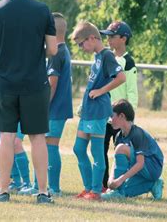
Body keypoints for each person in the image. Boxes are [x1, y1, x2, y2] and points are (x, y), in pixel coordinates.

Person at [0, 0, 57, 203]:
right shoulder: (43, 10)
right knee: (37, 137)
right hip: (35, 82)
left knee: (6, 135)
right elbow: (53, 49)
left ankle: (3, 191)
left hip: (4, 83)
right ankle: (43, 192)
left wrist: (2, 53)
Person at [18, 12, 73, 196]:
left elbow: (52, 83)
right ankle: (43, 186)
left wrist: (41, 105)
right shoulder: (63, 50)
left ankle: (50, 188)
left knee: (47, 146)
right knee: (48, 145)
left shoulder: (56, 53)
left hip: (54, 109)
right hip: (58, 109)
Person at [71, 21, 126, 201]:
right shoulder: (96, 57)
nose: (81, 47)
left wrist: (101, 91)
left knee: (96, 152)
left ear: (93, 38)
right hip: (88, 110)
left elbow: (121, 77)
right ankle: (88, 188)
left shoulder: (107, 55)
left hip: (98, 111)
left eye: (82, 43)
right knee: (78, 149)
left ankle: (96, 191)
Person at [99, 21, 138, 191]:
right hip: (104, 115)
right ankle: (103, 184)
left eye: (112, 36)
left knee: (121, 152)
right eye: (107, 36)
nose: (108, 39)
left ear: (123, 38)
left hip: (120, 118)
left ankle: (123, 184)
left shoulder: (128, 62)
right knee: (100, 150)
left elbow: (132, 91)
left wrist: (128, 118)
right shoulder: (106, 57)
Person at [102, 99, 164, 201]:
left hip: (152, 167)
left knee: (121, 148)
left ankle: (116, 192)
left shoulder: (137, 134)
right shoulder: (119, 136)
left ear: (122, 116)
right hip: (141, 170)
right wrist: (111, 180)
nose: (110, 119)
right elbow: (116, 161)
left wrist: (120, 180)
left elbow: (140, 163)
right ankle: (153, 184)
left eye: (112, 116)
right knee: (125, 191)